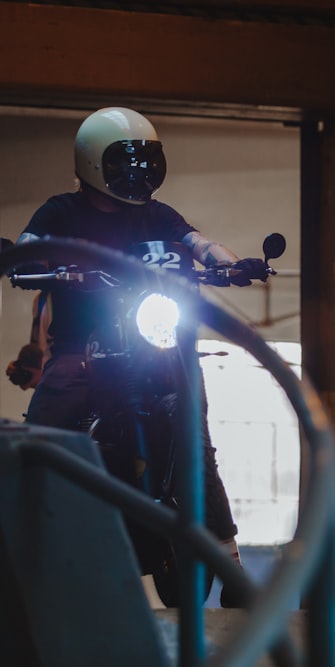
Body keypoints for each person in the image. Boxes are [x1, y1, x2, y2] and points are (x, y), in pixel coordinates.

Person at [14, 106, 260, 608]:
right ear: (92, 163)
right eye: (126, 162)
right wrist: (26, 263)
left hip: (158, 341)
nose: (138, 172)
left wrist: (230, 265)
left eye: (146, 161)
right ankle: (19, 537)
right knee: (42, 431)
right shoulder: (60, 211)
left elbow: (198, 243)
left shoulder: (159, 215)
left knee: (197, 442)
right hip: (83, 349)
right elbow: (29, 247)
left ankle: (229, 562)